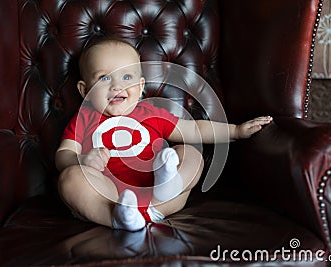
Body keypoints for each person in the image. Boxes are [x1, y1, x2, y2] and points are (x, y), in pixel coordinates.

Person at [56, 37, 273, 231]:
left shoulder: (150, 113)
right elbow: (64, 154)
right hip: (108, 196)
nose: (117, 86)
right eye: (104, 78)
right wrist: (82, 160)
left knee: (191, 155)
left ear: (141, 86)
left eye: (127, 77)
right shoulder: (84, 118)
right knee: (69, 179)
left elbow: (195, 129)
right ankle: (117, 217)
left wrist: (235, 130)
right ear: (85, 90)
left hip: (158, 192)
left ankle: (165, 190)